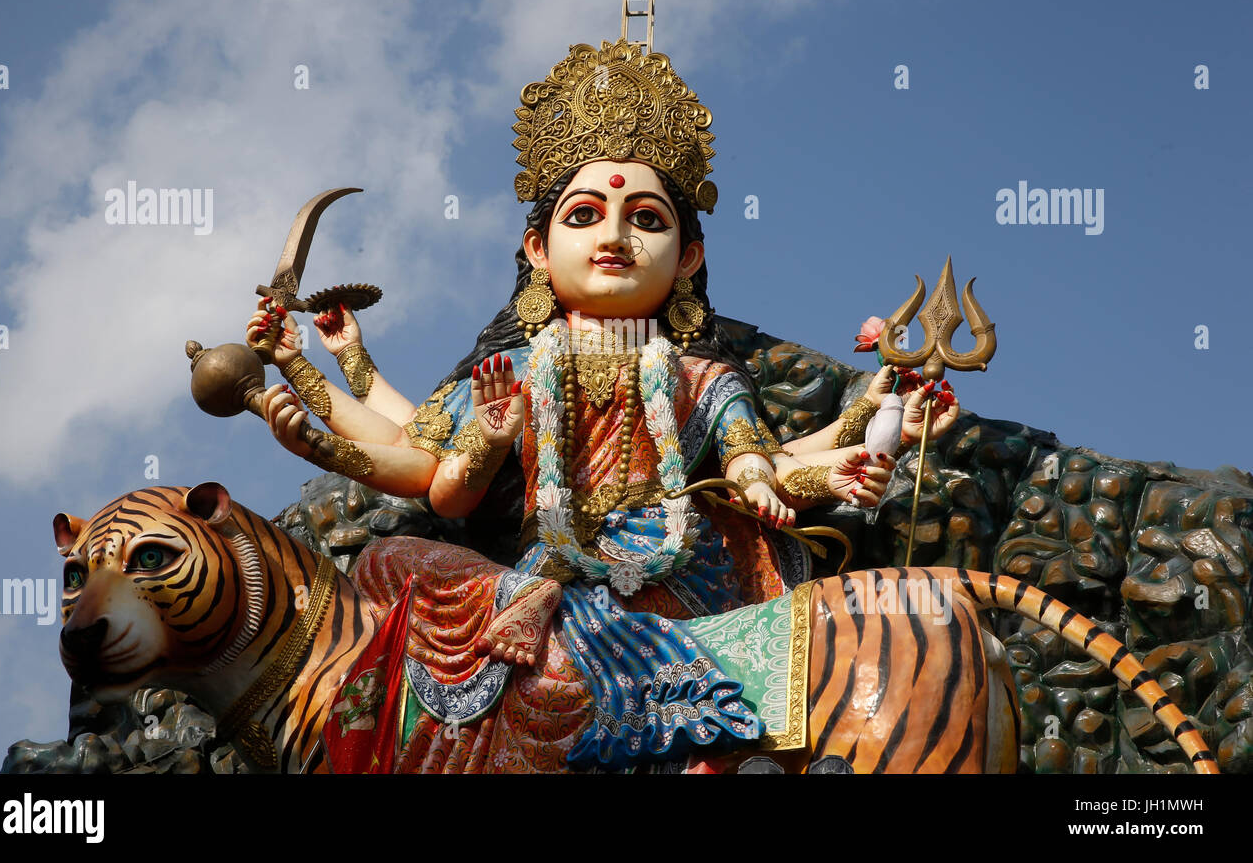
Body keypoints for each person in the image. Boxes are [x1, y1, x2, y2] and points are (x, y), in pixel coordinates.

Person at [242, 39, 955, 772]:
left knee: (573, 640)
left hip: (668, 569)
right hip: (536, 571)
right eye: (584, 215)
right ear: (539, 249)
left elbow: (756, 466)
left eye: (646, 219)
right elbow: (423, 461)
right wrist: (310, 383)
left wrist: (848, 455)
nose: (614, 236)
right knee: (387, 562)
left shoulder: (702, 375)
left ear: (688, 258)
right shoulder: (512, 370)